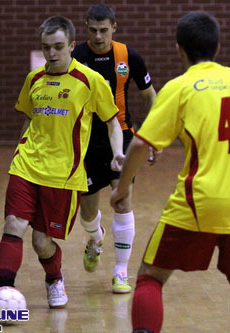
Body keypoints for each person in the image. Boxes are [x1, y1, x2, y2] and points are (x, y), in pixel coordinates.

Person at [111, 11, 230, 332]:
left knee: (150, 276)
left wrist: (120, 190)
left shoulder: (180, 87)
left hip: (197, 202)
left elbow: (139, 144)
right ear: (218, 48)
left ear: (179, 49)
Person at [0, 16, 124, 309]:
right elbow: (30, 119)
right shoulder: (34, 79)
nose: (51, 54)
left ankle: (54, 278)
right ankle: (0, 291)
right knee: (13, 223)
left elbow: (112, 122)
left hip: (63, 175)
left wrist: (117, 153)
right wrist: (18, 151)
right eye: (46, 47)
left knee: (41, 242)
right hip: (26, 166)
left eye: (58, 47)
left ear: (72, 45)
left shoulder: (90, 82)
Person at [71, 4, 157, 294]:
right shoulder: (75, 57)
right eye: (92, 30)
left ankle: (121, 271)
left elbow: (150, 96)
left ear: (114, 28)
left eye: (103, 30)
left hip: (121, 136)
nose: (98, 36)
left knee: (122, 201)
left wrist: (154, 136)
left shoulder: (129, 56)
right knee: (87, 212)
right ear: (86, 29)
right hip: (86, 141)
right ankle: (95, 237)